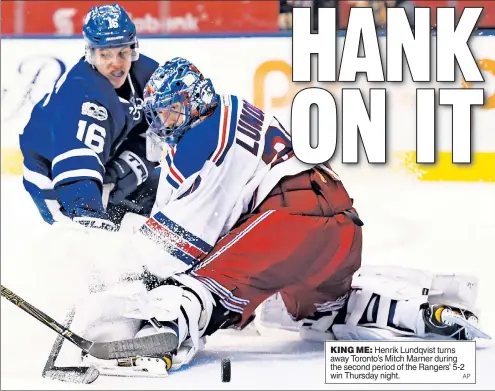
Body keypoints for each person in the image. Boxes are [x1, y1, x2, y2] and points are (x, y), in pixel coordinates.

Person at [75, 58, 488, 377]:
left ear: (189, 103)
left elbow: (180, 248)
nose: (163, 124)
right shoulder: (238, 107)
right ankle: (422, 313)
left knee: (200, 288)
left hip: (288, 222)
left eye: (167, 113)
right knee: (320, 311)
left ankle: (159, 335)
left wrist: (122, 268)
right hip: (341, 220)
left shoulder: (199, 142)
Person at [19, 3, 160, 230]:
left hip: (107, 159)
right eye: (105, 54)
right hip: (52, 177)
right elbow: (75, 165)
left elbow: (159, 129)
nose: (116, 64)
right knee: (81, 239)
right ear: (91, 53)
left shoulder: (145, 75)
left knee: (154, 187)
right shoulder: (81, 94)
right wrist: (88, 215)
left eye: (122, 52)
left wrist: (124, 169)